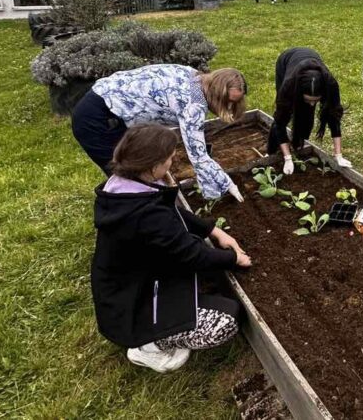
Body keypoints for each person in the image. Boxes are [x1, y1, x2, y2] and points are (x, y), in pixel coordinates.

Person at [91, 123, 252, 373]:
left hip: (136, 283)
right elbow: (191, 254)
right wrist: (233, 260)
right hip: (133, 308)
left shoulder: (125, 186)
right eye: (169, 157)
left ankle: (164, 329)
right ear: (151, 165)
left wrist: (212, 230)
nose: (173, 159)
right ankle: (148, 346)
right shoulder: (143, 213)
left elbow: (171, 215)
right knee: (226, 320)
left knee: (202, 270)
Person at [71, 64, 248, 201]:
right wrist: (225, 184)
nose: (230, 107)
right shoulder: (193, 105)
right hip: (95, 120)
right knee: (127, 175)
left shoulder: (194, 75)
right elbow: (198, 157)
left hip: (105, 100)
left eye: (235, 102)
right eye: (228, 102)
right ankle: (126, 215)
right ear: (216, 92)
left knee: (140, 166)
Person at [268, 47, 352, 174]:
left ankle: (298, 142)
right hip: (286, 61)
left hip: (312, 64)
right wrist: (287, 158)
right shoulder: (289, 85)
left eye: (316, 100)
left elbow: (334, 117)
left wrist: (338, 155)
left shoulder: (330, 84)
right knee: (284, 115)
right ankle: (272, 150)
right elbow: (280, 121)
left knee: (306, 116)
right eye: (308, 100)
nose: (312, 104)